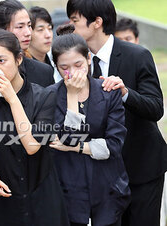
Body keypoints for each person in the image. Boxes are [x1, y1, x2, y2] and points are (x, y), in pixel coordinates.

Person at [66, 1, 167, 226]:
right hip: (102, 174)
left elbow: (155, 108)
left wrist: (124, 92)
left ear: (97, 23)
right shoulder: (76, 62)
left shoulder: (137, 55)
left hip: (142, 168)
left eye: (75, 21)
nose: (71, 27)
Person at [0, 29, 69, 226]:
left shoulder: (44, 97)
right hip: (3, 203)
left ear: (19, 59)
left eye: (1, 60)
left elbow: (32, 145)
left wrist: (12, 98)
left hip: (43, 200)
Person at [48, 24, 130, 226]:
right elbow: (67, 137)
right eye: (64, 68)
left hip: (108, 189)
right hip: (70, 192)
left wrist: (75, 147)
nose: (72, 73)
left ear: (88, 59)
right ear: (56, 68)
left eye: (78, 65)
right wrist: (72, 96)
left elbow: (113, 146)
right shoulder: (49, 96)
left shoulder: (108, 92)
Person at [0, 0, 55, 98]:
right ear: (2, 30)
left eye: (29, 25)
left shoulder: (44, 72)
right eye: (20, 27)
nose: (28, 32)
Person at [29, 6, 62, 83]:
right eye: (40, 30)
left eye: (50, 29)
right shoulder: (24, 68)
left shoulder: (55, 60)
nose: (48, 35)